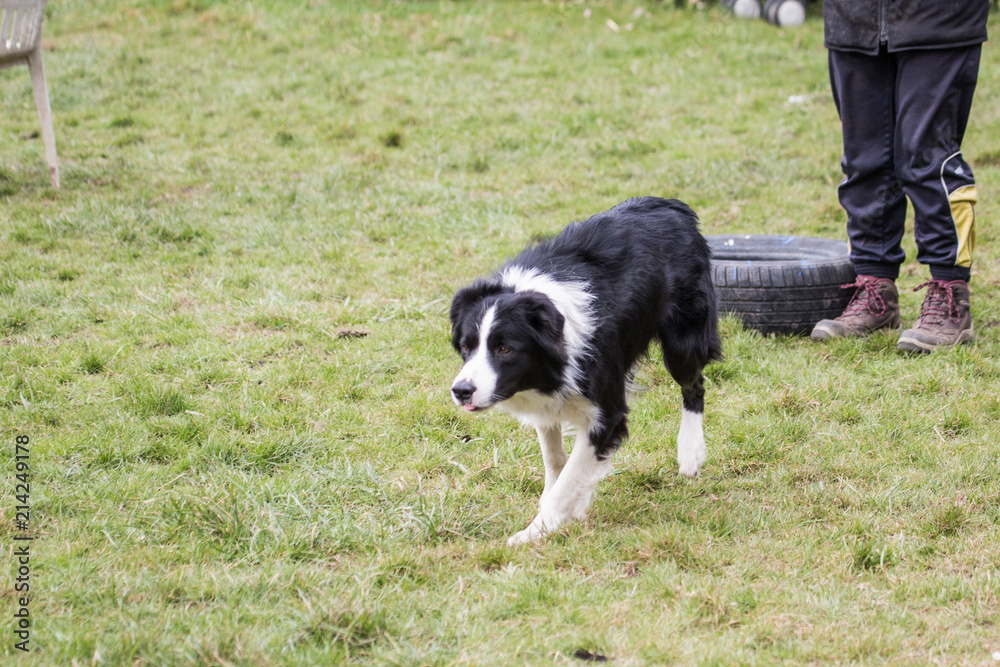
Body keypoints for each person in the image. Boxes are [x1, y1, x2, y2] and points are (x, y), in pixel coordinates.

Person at [810, 0, 989, 353]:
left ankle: (950, 295)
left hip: (939, 18)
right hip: (852, 19)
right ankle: (875, 290)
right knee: (864, 159)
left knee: (929, 158)